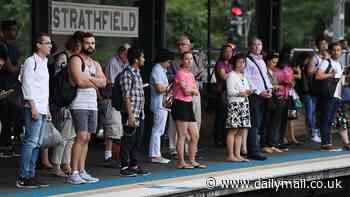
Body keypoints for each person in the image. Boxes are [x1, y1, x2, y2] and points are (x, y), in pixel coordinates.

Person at [68, 32, 106, 184]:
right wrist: (94, 81)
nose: (90, 46)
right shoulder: (75, 59)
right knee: (81, 137)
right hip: (79, 103)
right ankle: (74, 172)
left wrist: (89, 79)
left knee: (88, 138)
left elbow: (104, 82)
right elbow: (79, 81)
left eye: (93, 43)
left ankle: (82, 170)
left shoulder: (95, 63)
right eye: (88, 43)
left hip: (92, 104)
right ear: (81, 44)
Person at [16, 33, 52, 188]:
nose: (50, 45)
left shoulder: (44, 62)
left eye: (50, 43)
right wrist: (33, 106)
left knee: (37, 143)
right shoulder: (31, 62)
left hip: (43, 107)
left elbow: (44, 89)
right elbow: (27, 84)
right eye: (47, 43)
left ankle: (31, 174)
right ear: (38, 45)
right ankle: (23, 177)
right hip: (34, 107)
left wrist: (47, 108)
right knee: (31, 141)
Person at [167, 34, 207, 158]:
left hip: (194, 93)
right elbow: (168, 76)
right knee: (176, 123)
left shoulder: (196, 58)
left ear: (190, 46)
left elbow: (203, 74)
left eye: (183, 44)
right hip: (179, 95)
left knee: (196, 120)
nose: (180, 46)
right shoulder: (174, 61)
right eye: (179, 44)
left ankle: (191, 150)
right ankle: (174, 150)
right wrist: (178, 79)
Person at [50, 31, 84, 177]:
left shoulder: (78, 58)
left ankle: (66, 163)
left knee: (71, 136)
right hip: (64, 101)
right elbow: (58, 81)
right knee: (63, 135)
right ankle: (56, 165)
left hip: (74, 101)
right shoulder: (64, 57)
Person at [119, 47, 150, 176]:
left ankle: (134, 164)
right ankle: (124, 166)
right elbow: (126, 96)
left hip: (139, 113)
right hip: (131, 113)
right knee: (128, 140)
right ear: (136, 59)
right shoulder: (127, 73)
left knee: (137, 140)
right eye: (142, 57)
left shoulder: (137, 72)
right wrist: (130, 116)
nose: (144, 59)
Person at [101, 43, 130, 167]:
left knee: (118, 129)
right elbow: (112, 84)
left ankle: (115, 156)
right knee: (112, 128)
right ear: (122, 52)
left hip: (119, 100)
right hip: (110, 99)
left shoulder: (125, 63)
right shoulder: (113, 63)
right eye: (127, 54)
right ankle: (108, 157)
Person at [244, 38, 273, 161]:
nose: (257, 47)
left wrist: (270, 89)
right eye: (254, 44)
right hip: (255, 96)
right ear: (250, 46)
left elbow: (265, 77)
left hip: (265, 95)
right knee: (254, 123)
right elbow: (248, 79)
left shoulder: (261, 61)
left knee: (261, 122)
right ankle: (253, 151)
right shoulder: (247, 61)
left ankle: (258, 147)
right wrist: (259, 92)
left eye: (259, 44)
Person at [315, 42, 344, 151]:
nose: (336, 52)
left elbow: (340, 81)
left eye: (338, 50)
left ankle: (328, 142)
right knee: (326, 119)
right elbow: (318, 76)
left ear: (341, 52)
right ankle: (325, 144)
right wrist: (330, 74)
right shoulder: (326, 62)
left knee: (330, 119)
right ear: (330, 51)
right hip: (327, 95)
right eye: (334, 50)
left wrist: (340, 95)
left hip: (336, 96)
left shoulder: (340, 64)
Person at [0, 20, 22, 158]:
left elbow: (13, 68)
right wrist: (18, 67)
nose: (15, 33)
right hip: (2, 87)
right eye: (12, 30)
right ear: (5, 31)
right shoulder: (2, 46)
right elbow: (10, 67)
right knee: (4, 118)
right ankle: (4, 147)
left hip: (12, 87)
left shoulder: (14, 49)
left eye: (16, 30)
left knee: (13, 118)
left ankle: (9, 145)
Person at [149, 49, 175, 164]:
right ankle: (155, 155)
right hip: (159, 104)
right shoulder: (157, 70)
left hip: (162, 104)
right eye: (169, 62)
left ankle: (156, 153)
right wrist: (171, 86)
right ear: (163, 60)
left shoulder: (161, 70)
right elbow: (159, 88)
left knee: (159, 130)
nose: (169, 65)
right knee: (157, 130)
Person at [225, 53, 251, 162]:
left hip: (244, 104)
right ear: (234, 63)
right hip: (235, 104)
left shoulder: (243, 76)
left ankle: (238, 154)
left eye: (243, 62)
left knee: (241, 131)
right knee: (233, 130)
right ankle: (231, 155)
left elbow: (247, 90)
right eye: (239, 61)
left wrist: (248, 92)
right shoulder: (231, 75)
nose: (242, 64)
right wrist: (241, 93)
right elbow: (230, 91)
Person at [305, 36, 330, 143]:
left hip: (328, 88)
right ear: (318, 46)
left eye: (325, 43)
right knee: (314, 112)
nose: (324, 45)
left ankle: (321, 131)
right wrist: (321, 64)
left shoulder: (330, 56)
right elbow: (309, 72)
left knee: (325, 111)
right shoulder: (315, 58)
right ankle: (313, 132)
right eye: (322, 44)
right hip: (317, 88)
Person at [261, 52, 284, 153]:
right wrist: (276, 87)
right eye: (273, 62)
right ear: (268, 61)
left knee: (274, 122)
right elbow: (265, 85)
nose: (275, 64)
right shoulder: (264, 71)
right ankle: (265, 144)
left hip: (275, 98)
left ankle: (272, 143)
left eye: (276, 62)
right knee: (267, 122)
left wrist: (277, 87)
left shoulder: (272, 71)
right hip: (267, 98)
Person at [214, 44, 234, 147]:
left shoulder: (231, 65)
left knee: (227, 116)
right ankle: (218, 140)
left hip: (230, 93)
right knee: (221, 117)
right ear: (222, 52)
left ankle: (225, 139)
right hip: (221, 92)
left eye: (230, 51)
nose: (228, 53)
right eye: (226, 51)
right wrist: (234, 74)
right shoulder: (220, 63)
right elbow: (223, 76)